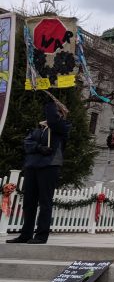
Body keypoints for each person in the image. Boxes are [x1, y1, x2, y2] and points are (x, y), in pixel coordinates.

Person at [7, 95, 71, 244]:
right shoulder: (39, 128)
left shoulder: (63, 126)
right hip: (33, 165)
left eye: (56, 112)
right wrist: (38, 148)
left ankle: (41, 235)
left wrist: (50, 103)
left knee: (45, 201)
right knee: (29, 201)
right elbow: (27, 143)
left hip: (49, 166)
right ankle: (26, 233)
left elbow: (54, 121)